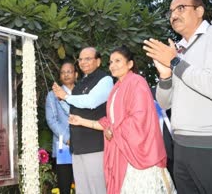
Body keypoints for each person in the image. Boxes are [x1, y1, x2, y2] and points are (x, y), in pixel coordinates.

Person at [143, 0, 212, 193]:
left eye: (181, 8)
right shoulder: (178, 51)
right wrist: (166, 75)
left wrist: (175, 62)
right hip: (181, 147)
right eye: (171, 11)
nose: (174, 15)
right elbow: (165, 103)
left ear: (199, 11)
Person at [69, 45, 175, 194]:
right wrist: (81, 121)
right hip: (122, 151)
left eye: (117, 61)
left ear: (130, 64)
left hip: (139, 154)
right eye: (111, 62)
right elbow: (110, 123)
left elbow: (139, 118)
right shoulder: (116, 88)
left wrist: (113, 130)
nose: (113, 65)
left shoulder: (137, 82)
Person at [53, 47, 113, 194]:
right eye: (80, 59)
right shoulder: (80, 82)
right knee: (82, 189)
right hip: (77, 146)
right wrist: (62, 99)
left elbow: (91, 101)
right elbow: (74, 109)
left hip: (95, 145)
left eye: (88, 58)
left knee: (98, 188)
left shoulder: (105, 79)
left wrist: (66, 97)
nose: (83, 62)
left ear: (98, 61)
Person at [45, 61, 76, 194]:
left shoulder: (83, 93)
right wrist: (68, 139)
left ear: (76, 74)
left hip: (85, 145)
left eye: (69, 72)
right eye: (63, 72)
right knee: (64, 186)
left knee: (84, 184)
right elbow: (51, 120)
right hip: (63, 145)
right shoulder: (52, 95)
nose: (66, 75)